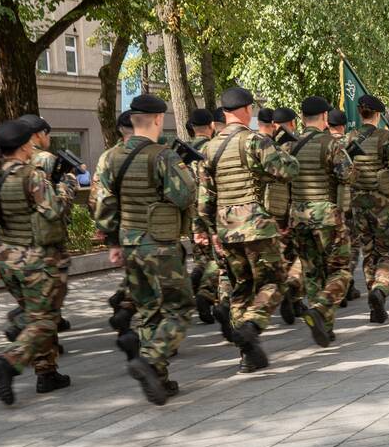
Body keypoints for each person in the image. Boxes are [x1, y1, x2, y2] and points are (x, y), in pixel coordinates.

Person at [96, 95, 197, 404]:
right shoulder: (163, 156)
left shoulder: (110, 157)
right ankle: (151, 359)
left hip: (130, 245)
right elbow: (185, 196)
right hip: (161, 245)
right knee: (178, 309)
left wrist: (113, 242)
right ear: (158, 120)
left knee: (149, 311)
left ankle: (160, 381)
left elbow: (103, 205)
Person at [198, 87, 299, 373]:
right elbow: (286, 171)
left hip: (225, 227)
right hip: (255, 224)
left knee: (241, 287)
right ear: (245, 110)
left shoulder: (209, 148)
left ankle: (247, 355)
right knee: (275, 281)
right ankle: (252, 325)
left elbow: (204, 199)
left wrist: (212, 231)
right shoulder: (255, 141)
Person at [0, 120, 74, 405]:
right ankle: (8, 362)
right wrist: (68, 185)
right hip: (37, 259)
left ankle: (47, 373)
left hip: (8, 259)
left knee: (33, 315)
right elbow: (54, 210)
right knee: (45, 321)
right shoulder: (31, 176)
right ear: (24, 146)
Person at [288, 97, 357, 345]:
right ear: (325, 117)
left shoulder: (290, 146)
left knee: (312, 271)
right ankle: (321, 308)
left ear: (303, 118)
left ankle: (325, 327)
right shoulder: (331, 144)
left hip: (298, 217)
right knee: (340, 270)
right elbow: (347, 175)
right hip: (327, 215)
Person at [15, 115, 76, 336]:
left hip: (20, 236)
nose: (48, 138)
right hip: (47, 234)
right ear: (38, 135)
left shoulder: (14, 158)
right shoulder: (47, 159)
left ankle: (49, 322)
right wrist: (69, 182)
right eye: (47, 134)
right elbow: (57, 205)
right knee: (56, 284)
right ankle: (31, 325)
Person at [348, 95, 389, 323]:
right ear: (378, 114)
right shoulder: (385, 137)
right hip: (383, 205)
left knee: (369, 253)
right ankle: (380, 290)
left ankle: (375, 307)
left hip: (358, 206)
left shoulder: (349, 138)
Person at [92, 111, 137, 335]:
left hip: (120, 229)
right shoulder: (155, 153)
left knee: (136, 273)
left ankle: (122, 300)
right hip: (148, 229)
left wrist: (108, 235)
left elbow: (97, 198)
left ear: (120, 130)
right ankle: (126, 307)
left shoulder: (107, 157)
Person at [269, 107, 305, 324]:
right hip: (297, 209)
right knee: (302, 255)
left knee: (284, 256)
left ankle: (289, 294)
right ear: (292, 123)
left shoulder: (266, 146)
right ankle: (294, 289)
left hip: (274, 211)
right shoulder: (298, 144)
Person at [187, 108, 218, 325]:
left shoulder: (181, 151)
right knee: (219, 259)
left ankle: (196, 279)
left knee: (201, 257)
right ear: (212, 125)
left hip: (190, 215)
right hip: (211, 213)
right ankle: (206, 294)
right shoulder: (212, 150)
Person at [327, 108, 362, 306]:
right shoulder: (347, 143)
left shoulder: (321, 142)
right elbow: (348, 175)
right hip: (347, 203)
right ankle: (345, 282)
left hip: (322, 206)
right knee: (352, 244)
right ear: (342, 125)